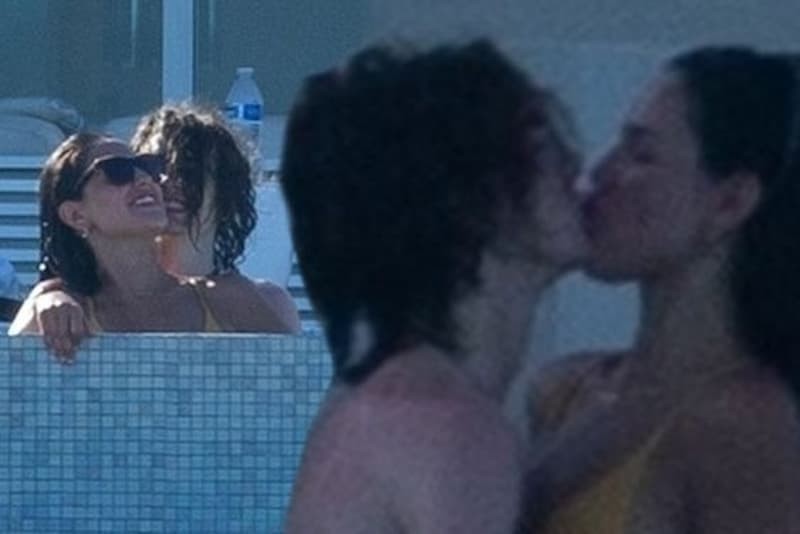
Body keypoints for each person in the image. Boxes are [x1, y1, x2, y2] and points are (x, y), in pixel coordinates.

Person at [281, 39, 587, 533]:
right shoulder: (444, 425)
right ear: (471, 202)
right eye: (540, 149)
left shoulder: (406, 407)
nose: (574, 167)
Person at [519, 46, 800, 533]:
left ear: (730, 202)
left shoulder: (745, 424)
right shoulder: (563, 388)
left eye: (641, 155)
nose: (598, 174)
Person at [14, 104, 299, 357]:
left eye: (146, 166)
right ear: (76, 215)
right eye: (119, 170)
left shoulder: (236, 298)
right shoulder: (60, 306)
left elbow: (300, 381)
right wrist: (45, 297)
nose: (155, 180)